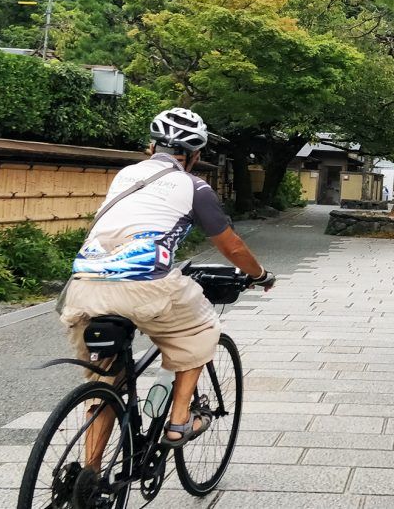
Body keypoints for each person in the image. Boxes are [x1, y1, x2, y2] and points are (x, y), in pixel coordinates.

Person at [60, 107, 274, 453]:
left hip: (83, 285)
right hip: (146, 286)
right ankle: (178, 422)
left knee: (108, 379)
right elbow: (230, 246)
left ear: (151, 147)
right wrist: (260, 275)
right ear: (195, 155)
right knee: (202, 327)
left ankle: (91, 476)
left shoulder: (125, 176)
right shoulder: (195, 187)